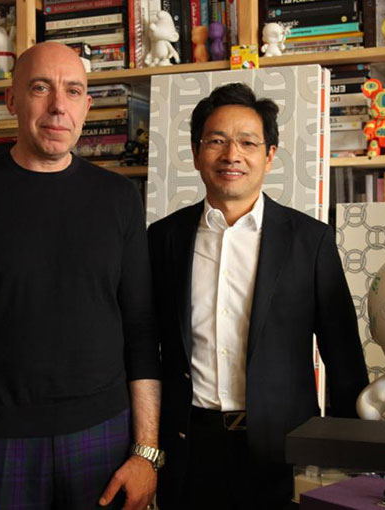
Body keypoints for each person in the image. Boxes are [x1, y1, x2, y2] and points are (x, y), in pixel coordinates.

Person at [0, 42, 162, 510]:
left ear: (87, 106)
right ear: (11, 99)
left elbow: (141, 329)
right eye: (40, 88)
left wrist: (146, 453)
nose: (58, 106)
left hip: (105, 437)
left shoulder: (120, 199)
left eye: (72, 91)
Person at [147, 83, 369, 510]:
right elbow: (145, 345)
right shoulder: (163, 239)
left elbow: (343, 357)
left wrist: (352, 462)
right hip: (190, 448)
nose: (232, 155)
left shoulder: (310, 241)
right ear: (196, 153)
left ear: (269, 156)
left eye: (248, 142)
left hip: (283, 452)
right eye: (216, 141)